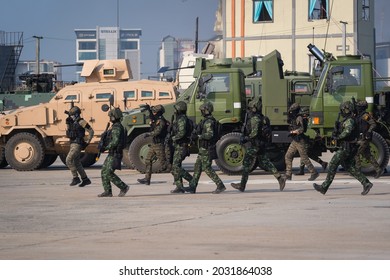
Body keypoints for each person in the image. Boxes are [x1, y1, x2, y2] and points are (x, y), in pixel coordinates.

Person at [313, 101, 373, 195]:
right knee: (349, 167)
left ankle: (324, 187)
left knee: (333, 164)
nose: (341, 112)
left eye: (343, 110)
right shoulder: (347, 120)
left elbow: (347, 131)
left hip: (347, 147)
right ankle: (366, 183)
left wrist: (338, 137)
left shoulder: (349, 120)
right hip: (350, 147)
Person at [231, 99, 286, 192]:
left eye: (251, 108)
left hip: (255, 145)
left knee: (246, 163)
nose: (250, 110)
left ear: (255, 108)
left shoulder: (255, 119)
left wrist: (245, 138)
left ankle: (242, 185)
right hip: (260, 144)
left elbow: (254, 134)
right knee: (266, 163)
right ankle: (280, 178)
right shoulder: (262, 118)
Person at [182, 101, 226, 194]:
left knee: (207, 168)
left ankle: (220, 185)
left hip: (207, 148)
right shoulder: (206, 121)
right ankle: (192, 186)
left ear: (206, 110)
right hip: (203, 148)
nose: (201, 112)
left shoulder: (209, 122)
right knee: (197, 167)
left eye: (203, 110)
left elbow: (210, 135)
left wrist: (199, 136)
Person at [98, 108, 129, 197]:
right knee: (104, 171)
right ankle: (107, 191)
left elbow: (115, 142)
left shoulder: (117, 128)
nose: (110, 118)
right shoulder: (114, 126)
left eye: (111, 116)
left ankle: (123, 187)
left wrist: (105, 147)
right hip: (112, 153)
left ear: (115, 117)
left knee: (108, 172)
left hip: (115, 153)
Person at [284, 103, 319, 182]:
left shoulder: (299, 118)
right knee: (288, 156)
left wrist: (293, 132)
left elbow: (302, 129)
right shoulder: (294, 117)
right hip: (295, 140)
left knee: (304, 158)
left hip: (300, 140)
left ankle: (314, 172)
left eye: (292, 111)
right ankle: (288, 174)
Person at [137, 104, 168, 185]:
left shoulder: (161, 121)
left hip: (159, 145)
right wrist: (149, 110)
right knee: (148, 160)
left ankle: (177, 176)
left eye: (155, 111)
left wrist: (149, 134)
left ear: (159, 112)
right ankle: (147, 179)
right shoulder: (157, 119)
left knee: (164, 165)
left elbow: (158, 131)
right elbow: (152, 118)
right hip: (154, 144)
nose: (154, 113)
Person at [65, 106, 94, 187]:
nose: (71, 116)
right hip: (72, 143)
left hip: (77, 144)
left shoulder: (81, 121)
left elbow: (91, 131)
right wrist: (68, 123)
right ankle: (85, 179)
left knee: (68, 160)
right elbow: (69, 132)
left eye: (73, 115)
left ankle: (75, 178)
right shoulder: (71, 122)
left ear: (77, 114)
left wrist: (87, 141)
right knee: (77, 162)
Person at [294, 107, 328, 175]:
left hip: (309, 139)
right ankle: (322, 163)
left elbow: (310, 131)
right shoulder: (307, 119)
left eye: (303, 114)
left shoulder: (310, 120)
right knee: (308, 154)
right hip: (308, 139)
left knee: (303, 153)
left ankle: (301, 170)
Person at [169, 101, 194, 193]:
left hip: (182, 146)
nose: (174, 110)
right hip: (178, 145)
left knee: (175, 166)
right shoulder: (178, 118)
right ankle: (179, 187)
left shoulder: (182, 119)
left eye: (176, 109)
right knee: (176, 165)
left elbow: (182, 133)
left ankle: (191, 179)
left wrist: (173, 138)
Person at [354, 100, 383, 178]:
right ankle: (378, 170)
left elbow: (373, 124)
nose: (357, 108)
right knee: (367, 155)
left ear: (362, 108)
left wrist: (369, 132)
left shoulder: (365, 115)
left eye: (358, 107)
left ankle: (358, 170)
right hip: (361, 137)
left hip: (364, 138)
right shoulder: (359, 115)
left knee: (356, 154)